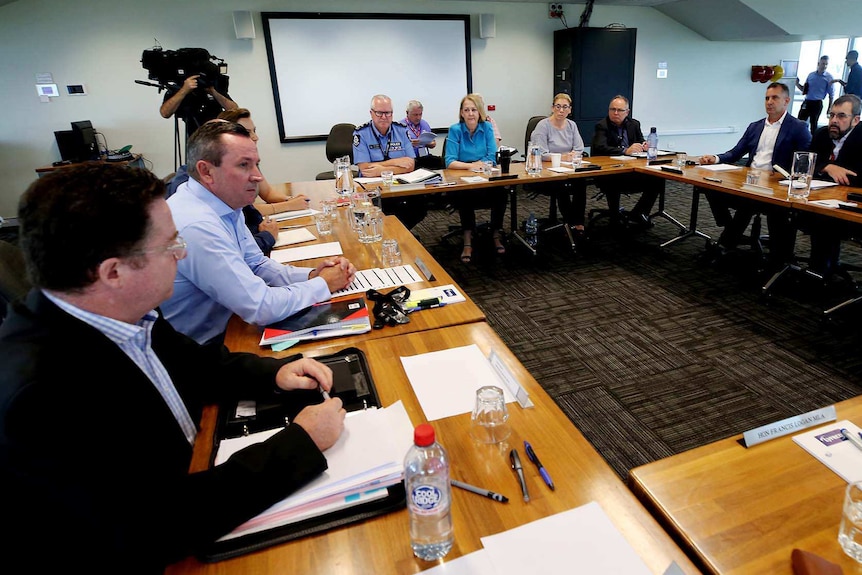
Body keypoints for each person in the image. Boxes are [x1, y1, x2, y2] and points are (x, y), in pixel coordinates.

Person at [0, 163, 346, 572]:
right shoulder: (41, 393)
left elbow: (194, 362)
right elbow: (152, 525)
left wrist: (272, 372)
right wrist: (300, 444)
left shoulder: (120, 308)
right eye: (169, 245)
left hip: (196, 464)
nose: (181, 253)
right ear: (113, 272)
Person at [161, 121, 356, 345]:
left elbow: (257, 265)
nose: (258, 177)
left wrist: (311, 276)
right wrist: (323, 284)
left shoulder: (222, 203)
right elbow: (261, 307)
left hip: (232, 325)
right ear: (206, 171)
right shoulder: (196, 225)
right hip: (206, 349)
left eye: (256, 165)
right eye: (244, 165)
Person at [166, 112, 310, 256]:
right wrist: (269, 234)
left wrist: (291, 201)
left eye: (254, 131)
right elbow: (238, 258)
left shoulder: (235, 204)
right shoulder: (196, 220)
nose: (254, 137)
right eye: (246, 132)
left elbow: (253, 260)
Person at [698, 82, 811, 262]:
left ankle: (729, 242)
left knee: (748, 206)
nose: (769, 102)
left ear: (786, 101)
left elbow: (804, 162)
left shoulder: (798, 127)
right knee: (710, 186)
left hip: (776, 186)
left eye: (775, 98)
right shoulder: (755, 126)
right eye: (767, 98)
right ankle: (730, 232)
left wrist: (786, 175)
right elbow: (736, 152)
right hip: (750, 180)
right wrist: (716, 158)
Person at [798, 94, 862, 276]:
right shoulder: (822, 134)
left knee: (823, 221)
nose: (834, 121)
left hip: (851, 205)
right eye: (831, 115)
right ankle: (813, 268)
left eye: (841, 116)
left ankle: (821, 271)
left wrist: (836, 170)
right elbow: (804, 163)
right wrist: (827, 166)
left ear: (856, 120)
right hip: (822, 199)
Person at [353, 94, 428, 230]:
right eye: (379, 113)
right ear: (371, 113)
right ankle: (393, 235)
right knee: (380, 210)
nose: (384, 117)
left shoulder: (401, 130)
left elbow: (410, 166)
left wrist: (379, 168)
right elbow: (365, 169)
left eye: (387, 113)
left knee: (420, 206)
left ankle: (399, 234)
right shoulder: (361, 134)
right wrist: (398, 162)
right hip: (373, 188)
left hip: (399, 185)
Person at [445, 93, 505, 263]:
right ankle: (467, 240)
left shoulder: (486, 127)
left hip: (483, 176)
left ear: (479, 112)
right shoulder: (455, 130)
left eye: (474, 110)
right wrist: (471, 165)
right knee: (465, 196)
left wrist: (480, 165)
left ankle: (495, 233)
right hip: (462, 179)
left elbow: (492, 157)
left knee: (501, 193)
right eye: (466, 110)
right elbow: (449, 161)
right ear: (461, 113)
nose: (470, 113)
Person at [590, 95, 662, 228]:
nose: (615, 113)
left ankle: (639, 213)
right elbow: (601, 147)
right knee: (614, 179)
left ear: (627, 112)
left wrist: (644, 145)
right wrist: (624, 150)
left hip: (631, 167)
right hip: (608, 171)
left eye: (619, 110)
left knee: (657, 179)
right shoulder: (602, 125)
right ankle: (614, 217)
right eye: (612, 109)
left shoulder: (634, 124)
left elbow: (640, 140)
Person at [529, 93, 588, 244]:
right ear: (552, 108)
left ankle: (579, 223)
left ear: (570, 110)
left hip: (569, 168)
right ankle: (570, 222)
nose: (561, 110)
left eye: (565, 107)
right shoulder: (543, 125)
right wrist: (563, 157)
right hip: (547, 171)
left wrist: (573, 155)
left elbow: (579, 148)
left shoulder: (571, 125)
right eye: (558, 106)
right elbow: (540, 153)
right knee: (561, 185)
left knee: (581, 183)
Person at [159, 73, 238, 141]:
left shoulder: (213, 87)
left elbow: (234, 110)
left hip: (218, 135)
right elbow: (165, 113)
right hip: (194, 136)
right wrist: (184, 90)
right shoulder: (178, 88)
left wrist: (213, 92)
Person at [796, 55, 834, 135]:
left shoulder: (829, 77)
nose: (824, 66)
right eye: (823, 63)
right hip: (807, 101)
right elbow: (804, 90)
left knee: (814, 124)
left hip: (817, 103)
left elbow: (831, 95)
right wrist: (797, 84)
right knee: (799, 122)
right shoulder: (811, 75)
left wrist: (830, 108)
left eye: (826, 64)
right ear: (818, 63)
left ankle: (813, 144)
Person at [402, 99, 443, 169]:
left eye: (420, 114)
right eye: (415, 115)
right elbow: (396, 148)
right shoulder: (400, 126)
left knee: (442, 162)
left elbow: (432, 143)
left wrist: (431, 143)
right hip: (410, 160)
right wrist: (409, 144)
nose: (418, 117)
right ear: (407, 113)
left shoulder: (424, 124)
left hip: (424, 157)